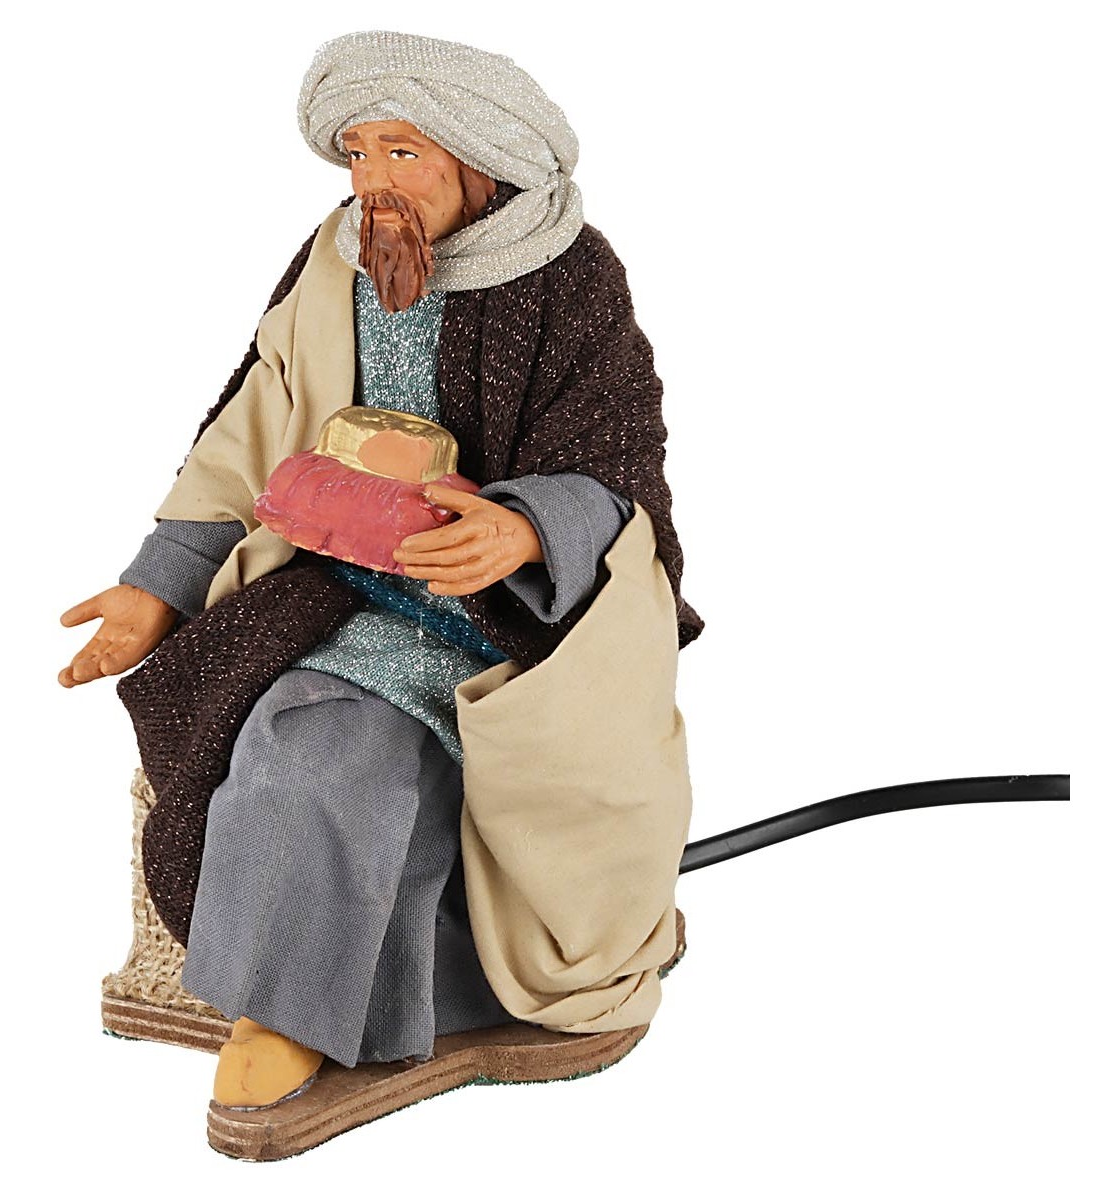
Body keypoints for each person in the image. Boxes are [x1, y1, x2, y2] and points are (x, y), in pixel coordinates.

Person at [60, 30, 702, 1115]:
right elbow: (255, 417)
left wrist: (523, 532)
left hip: (504, 616)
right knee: (240, 722)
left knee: (327, 746)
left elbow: (618, 456)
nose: (373, 184)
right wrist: (160, 579)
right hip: (322, 586)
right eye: (358, 155)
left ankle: (299, 1013)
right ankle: (292, 984)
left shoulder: (567, 272)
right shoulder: (336, 260)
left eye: (402, 153)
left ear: (478, 157)